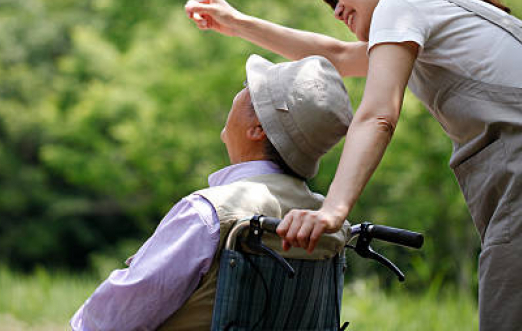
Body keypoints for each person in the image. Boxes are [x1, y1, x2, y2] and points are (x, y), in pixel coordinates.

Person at [184, 0, 522, 330]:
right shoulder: (430, 11)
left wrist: (333, 211)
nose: (336, 8)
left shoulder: (402, 5)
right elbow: (341, 57)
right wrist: (238, 23)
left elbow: (379, 113)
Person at [70, 54, 353, 331]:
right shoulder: (328, 224)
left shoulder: (209, 212)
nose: (240, 91)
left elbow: (110, 319)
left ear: (257, 129)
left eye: (248, 87)